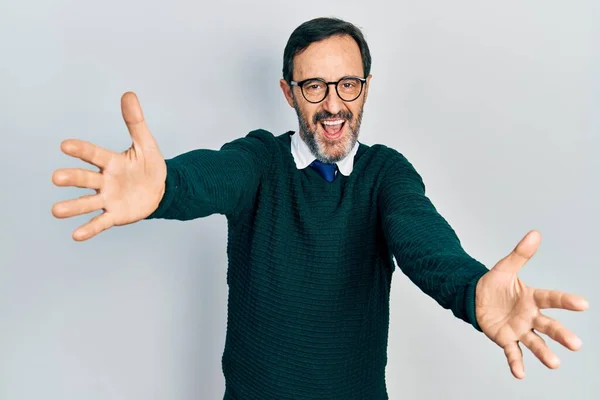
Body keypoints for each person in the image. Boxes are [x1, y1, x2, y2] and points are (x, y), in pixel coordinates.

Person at [51, 17, 589, 400]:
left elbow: (423, 242)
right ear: (289, 93)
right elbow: (209, 177)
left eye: (348, 84)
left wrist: (473, 289)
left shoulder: (386, 175)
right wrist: (165, 187)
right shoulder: (259, 160)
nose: (333, 105)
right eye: (314, 86)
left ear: (366, 87)